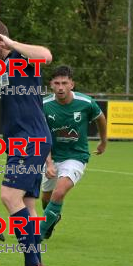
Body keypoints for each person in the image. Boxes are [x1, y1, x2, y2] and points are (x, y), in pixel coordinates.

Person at [0, 18, 53, 266]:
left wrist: (10, 43)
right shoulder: (6, 66)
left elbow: (46, 54)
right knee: (29, 206)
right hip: (25, 140)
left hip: (29, 140)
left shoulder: (21, 56)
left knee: (9, 196)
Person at [39, 65, 108, 239]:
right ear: (51, 85)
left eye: (64, 83)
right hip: (52, 156)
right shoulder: (44, 105)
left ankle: (36, 235)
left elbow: (100, 118)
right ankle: (53, 218)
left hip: (76, 156)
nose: (60, 87)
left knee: (59, 192)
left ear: (72, 84)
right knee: (46, 198)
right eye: (57, 83)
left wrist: (103, 141)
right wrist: (48, 163)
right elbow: (41, 136)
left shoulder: (85, 103)